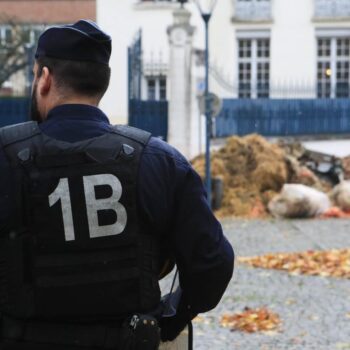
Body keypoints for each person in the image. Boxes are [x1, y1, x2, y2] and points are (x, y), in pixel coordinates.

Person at [0, 20, 234, 349]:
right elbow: (213, 262)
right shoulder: (159, 161)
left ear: (45, 79)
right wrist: (170, 319)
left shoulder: (6, 157)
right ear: (101, 85)